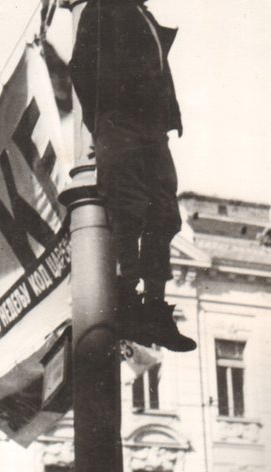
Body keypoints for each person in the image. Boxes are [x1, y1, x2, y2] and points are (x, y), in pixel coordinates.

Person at [69, 0, 196, 352]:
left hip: (152, 131)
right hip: (120, 123)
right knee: (128, 209)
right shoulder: (101, 8)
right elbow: (80, 68)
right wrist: (104, 121)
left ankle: (155, 307)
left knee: (165, 216)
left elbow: (160, 73)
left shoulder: (145, 16)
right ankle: (125, 298)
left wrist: (171, 118)